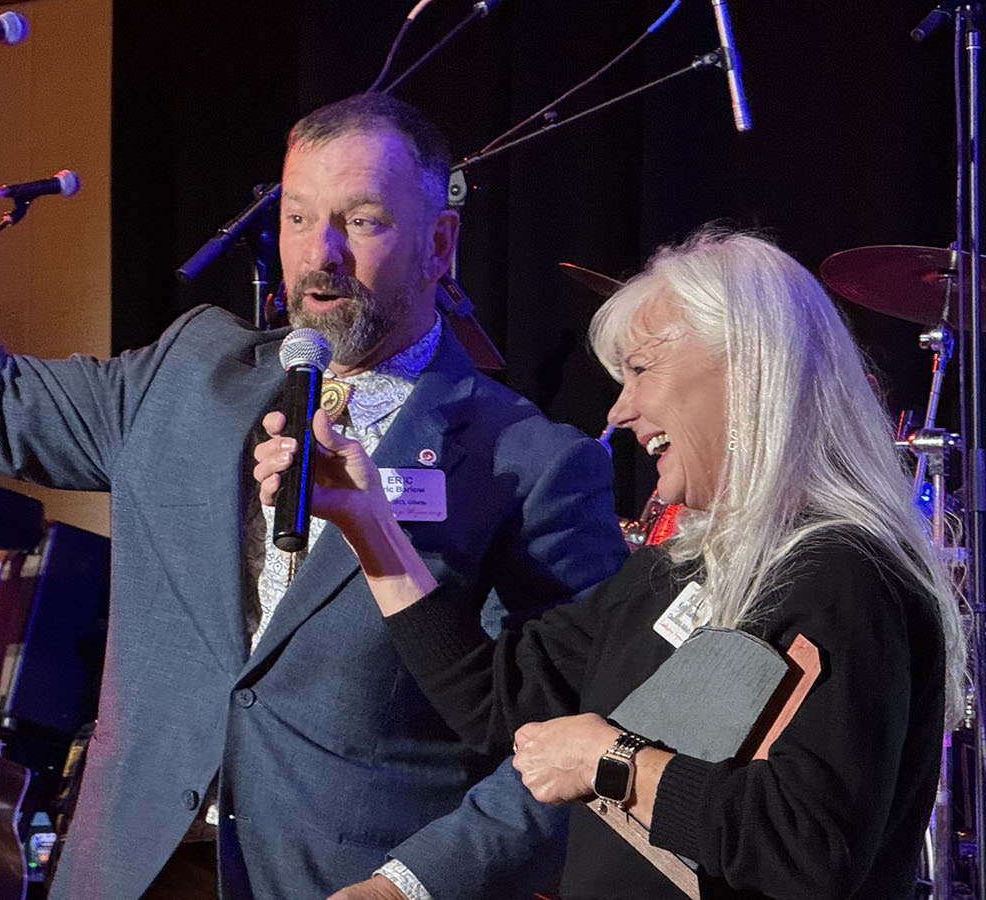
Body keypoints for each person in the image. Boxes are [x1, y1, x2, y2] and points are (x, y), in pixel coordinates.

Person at [0, 46, 628, 899]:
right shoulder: (189, 375)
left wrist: (414, 883)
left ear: (439, 247)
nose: (322, 254)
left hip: (343, 878)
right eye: (299, 216)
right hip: (132, 867)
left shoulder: (532, 465)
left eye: (363, 220)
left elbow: (563, 745)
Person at [254, 228, 970, 898]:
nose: (619, 410)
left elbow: (811, 844)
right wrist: (368, 523)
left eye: (640, 370)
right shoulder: (678, 570)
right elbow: (495, 700)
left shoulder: (846, 573)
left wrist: (613, 762)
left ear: (745, 369)